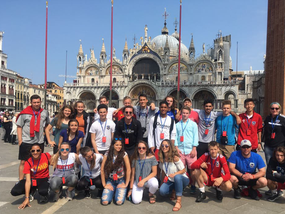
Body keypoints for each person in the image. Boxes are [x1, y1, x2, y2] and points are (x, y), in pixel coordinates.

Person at [16, 95, 50, 180]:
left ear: (40, 102)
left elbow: (47, 125)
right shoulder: (25, 113)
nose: (36, 104)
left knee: (39, 161)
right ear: (31, 103)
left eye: (38, 102)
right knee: (23, 161)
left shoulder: (44, 112)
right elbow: (19, 126)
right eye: (34, 102)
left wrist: (47, 138)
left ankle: (37, 178)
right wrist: (20, 140)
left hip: (39, 141)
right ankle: (21, 181)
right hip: (27, 141)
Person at [11, 143, 51, 209]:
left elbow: (55, 161)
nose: (35, 152)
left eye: (38, 150)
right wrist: (27, 198)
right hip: (32, 179)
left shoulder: (46, 156)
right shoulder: (28, 162)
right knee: (15, 191)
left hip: (43, 178)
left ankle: (46, 192)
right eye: (33, 151)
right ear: (30, 152)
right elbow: (28, 181)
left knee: (43, 191)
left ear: (41, 150)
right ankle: (31, 191)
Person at [159, 140, 189, 212]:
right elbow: (163, 171)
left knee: (177, 177)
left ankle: (178, 202)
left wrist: (174, 174)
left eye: (166, 146)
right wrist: (161, 183)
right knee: (162, 191)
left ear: (170, 147)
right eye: (162, 146)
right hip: (170, 180)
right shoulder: (162, 158)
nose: (164, 147)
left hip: (182, 179)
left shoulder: (175, 157)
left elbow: (183, 170)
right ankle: (174, 190)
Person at [175, 106, 198, 193]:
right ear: (181, 113)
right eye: (183, 113)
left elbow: (195, 137)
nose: (185, 115)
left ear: (189, 114)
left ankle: (192, 185)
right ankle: (183, 185)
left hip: (190, 150)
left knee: (192, 170)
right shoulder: (177, 125)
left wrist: (194, 148)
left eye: (186, 113)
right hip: (180, 150)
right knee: (181, 169)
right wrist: (176, 147)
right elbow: (175, 137)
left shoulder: (193, 124)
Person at [101, 139, 131, 205]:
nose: (119, 147)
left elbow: (128, 169)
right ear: (113, 145)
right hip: (110, 180)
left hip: (121, 180)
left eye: (120, 145)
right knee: (104, 201)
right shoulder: (107, 153)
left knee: (119, 201)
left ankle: (116, 193)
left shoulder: (124, 154)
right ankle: (112, 192)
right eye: (117, 145)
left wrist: (126, 184)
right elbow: (102, 169)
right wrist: (104, 184)